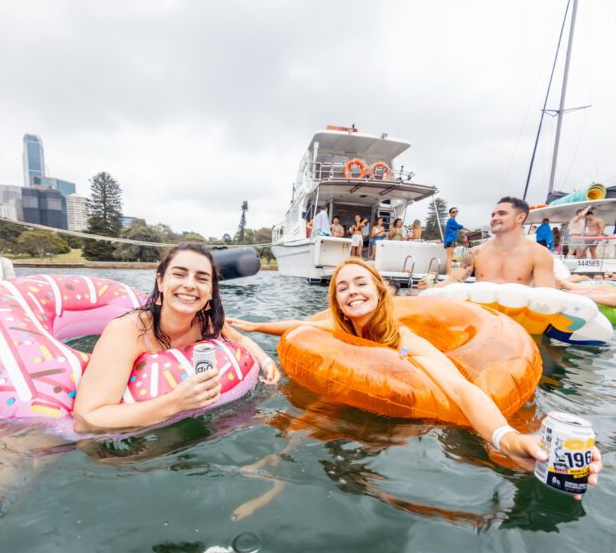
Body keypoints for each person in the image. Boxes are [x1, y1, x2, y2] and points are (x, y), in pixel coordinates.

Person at [228, 259, 602, 490]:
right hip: (360, 411)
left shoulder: (403, 339)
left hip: (413, 427)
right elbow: (302, 326)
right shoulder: (338, 330)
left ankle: (525, 451)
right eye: (342, 287)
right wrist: (255, 327)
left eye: (360, 284)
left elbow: (458, 387)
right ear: (336, 301)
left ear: (378, 291)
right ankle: (279, 466)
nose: (351, 292)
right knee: (317, 416)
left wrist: (505, 438)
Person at [73, 243, 280, 433]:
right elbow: (87, 417)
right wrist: (175, 403)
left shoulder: (205, 322)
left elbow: (241, 340)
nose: (190, 285)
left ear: (210, 292)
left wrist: (267, 362)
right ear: (161, 282)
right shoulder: (127, 331)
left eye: (201, 278)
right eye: (180, 274)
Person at [425, 197, 557, 289]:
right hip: (482, 316)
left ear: (520, 217)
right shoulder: (475, 252)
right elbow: (454, 280)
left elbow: (547, 294)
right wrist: (431, 287)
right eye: (493, 215)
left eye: (502, 213)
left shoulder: (539, 254)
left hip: (516, 318)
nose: (494, 218)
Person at [444, 207, 473, 274]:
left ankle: (448, 272)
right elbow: (459, 226)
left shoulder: (452, 220)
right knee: (450, 257)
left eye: (456, 211)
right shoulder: (451, 220)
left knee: (450, 257)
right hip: (450, 240)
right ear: (450, 213)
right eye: (453, 212)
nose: (455, 213)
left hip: (451, 240)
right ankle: (448, 273)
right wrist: (470, 230)